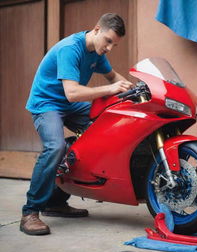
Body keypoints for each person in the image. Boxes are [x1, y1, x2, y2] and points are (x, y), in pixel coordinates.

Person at [20, 13, 133, 236]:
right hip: (47, 104)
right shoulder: (71, 48)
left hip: (68, 104)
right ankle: (30, 212)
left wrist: (134, 90)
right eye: (108, 41)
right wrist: (111, 90)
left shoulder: (97, 52)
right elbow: (72, 93)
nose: (110, 48)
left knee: (105, 125)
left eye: (115, 44)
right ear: (97, 30)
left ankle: (56, 201)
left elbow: (113, 77)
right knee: (55, 147)